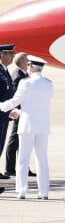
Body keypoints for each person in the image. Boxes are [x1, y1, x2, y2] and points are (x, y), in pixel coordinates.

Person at [0, 55, 53, 199]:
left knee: (23, 159)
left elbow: (16, 101)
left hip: (27, 125)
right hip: (43, 126)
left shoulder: (26, 83)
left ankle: (22, 190)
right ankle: (44, 192)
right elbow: (39, 106)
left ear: (30, 66)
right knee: (42, 160)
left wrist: (2, 106)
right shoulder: (49, 83)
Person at [5, 52, 36, 177]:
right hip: (20, 112)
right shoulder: (18, 75)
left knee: (22, 141)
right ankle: (10, 168)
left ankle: (22, 167)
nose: (30, 63)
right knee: (15, 140)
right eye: (28, 61)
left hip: (24, 111)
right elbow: (16, 96)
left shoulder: (23, 74)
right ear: (23, 62)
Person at [0, 44, 16, 180]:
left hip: (4, 114)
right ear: (2, 55)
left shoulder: (4, 71)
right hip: (0, 114)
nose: (13, 56)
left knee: (1, 142)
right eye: (11, 54)